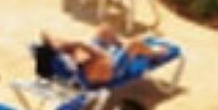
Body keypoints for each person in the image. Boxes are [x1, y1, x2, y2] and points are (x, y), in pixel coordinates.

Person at [38, 26, 175, 85]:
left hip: (99, 60)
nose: (60, 39)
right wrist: (81, 45)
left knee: (103, 30)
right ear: (55, 48)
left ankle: (124, 46)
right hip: (112, 70)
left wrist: (77, 46)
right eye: (56, 41)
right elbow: (98, 57)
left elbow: (89, 55)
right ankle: (156, 54)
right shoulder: (69, 56)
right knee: (134, 44)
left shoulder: (63, 56)